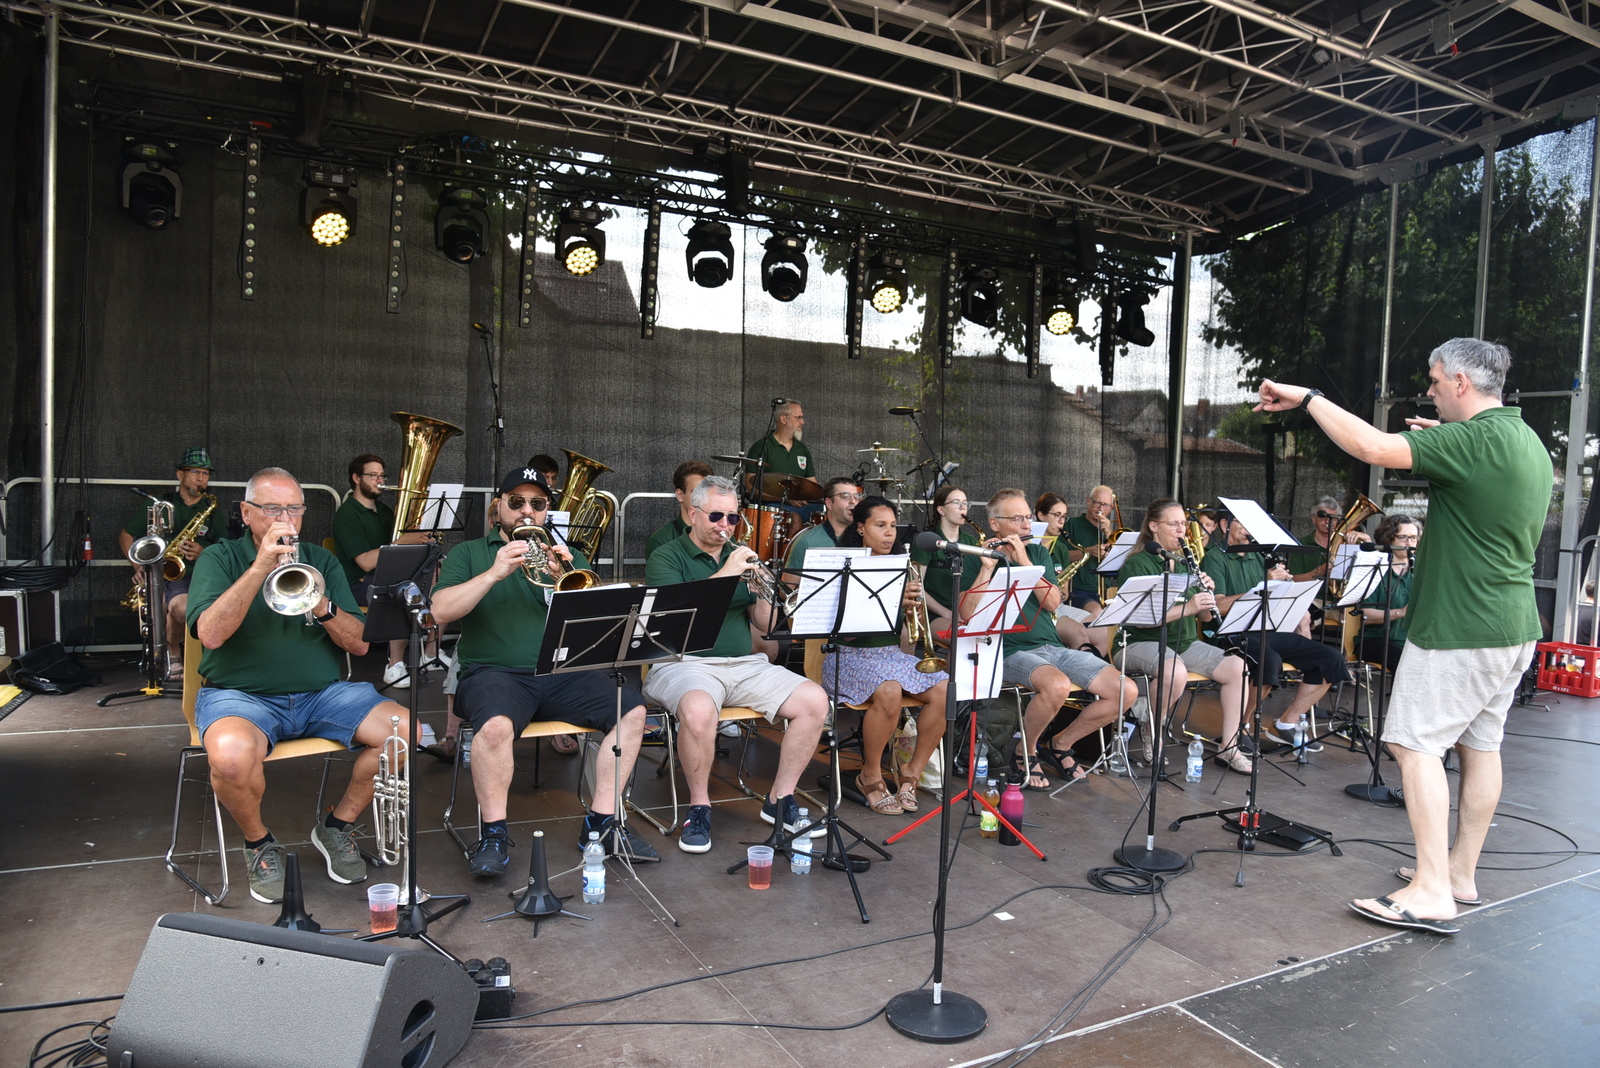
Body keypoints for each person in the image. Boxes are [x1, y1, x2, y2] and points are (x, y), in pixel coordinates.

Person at [1256, 338, 1551, 934]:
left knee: (1413, 746)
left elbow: (1371, 446)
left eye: (1436, 380)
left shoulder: (1472, 441)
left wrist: (1309, 398)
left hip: (1461, 626)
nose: (1431, 390)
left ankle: (1431, 890)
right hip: (1512, 625)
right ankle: (1459, 873)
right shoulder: (1526, 441)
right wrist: (1446, 438)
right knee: (1481, 747)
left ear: (1462, 382)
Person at [187, 467, 407, 904]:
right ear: (246, 513)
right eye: (272, 509)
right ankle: (259, 844)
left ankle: (337, 828)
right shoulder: (218, 557)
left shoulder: (321, 561)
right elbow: (209, 635)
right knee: (229, 760)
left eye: (294, 509)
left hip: (321, 694)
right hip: (239, 696)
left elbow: (360, 646)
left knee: (403, 734)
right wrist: (260, 568)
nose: (285, 519)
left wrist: (320, 603)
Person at [430, 466, 657, 875]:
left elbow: (599, 625)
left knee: (632, 711)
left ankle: (602, 825)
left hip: (563, 672)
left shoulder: (565, 555)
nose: (526, 511)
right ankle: (493, 834)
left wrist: (562, 577)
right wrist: (494, 573)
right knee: (494, 728)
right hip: (495, 673)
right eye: (516, 502)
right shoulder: (470, 554)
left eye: (537, 503)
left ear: (547, 510)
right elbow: (441, 611)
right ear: (497, 507)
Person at [642, 475, 829, 854]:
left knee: (814, 701)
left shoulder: (740, 556)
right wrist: (729, 572)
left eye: (732, 517)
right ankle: (699, 807)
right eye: (716, 516)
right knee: (698, 711)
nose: (724, 525)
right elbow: (679, 614)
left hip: (744, 663)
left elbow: (764, 623)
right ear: (693, 513)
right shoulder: (666, 555)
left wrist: (763, 590)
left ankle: (780, 799)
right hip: (681, 662)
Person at [961, 488, 1139, 789]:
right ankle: (1026, 751)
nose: (1026, 525)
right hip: (1007, 649)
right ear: (995, 524)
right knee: (1057, 685)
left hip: (1051, 646)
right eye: (1017, 519)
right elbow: (967, 614)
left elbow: (1054, 603)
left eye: (1027, 517)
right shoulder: (977, 557)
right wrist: (986, 570)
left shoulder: (1038, 553)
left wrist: (1025, 563)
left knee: (1125, 690)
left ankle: (1060, 744)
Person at [824, 496, 948, 815]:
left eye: (893, 526)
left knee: (945, 689)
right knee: (890, 690)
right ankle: (870, 775)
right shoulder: (844, 567)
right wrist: (892, 603)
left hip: (889, 656)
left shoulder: (900, 566)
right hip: (848, 656)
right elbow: (845, 633)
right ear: (860, 528)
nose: (890, 533)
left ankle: (911, 774)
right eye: (880, 525)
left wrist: (911, 610)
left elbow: (905, 630)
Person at [1114, 498, 1256, 773]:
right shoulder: (1138, 564)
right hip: (1138, 643)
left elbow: (1204, 618)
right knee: (1175, 671)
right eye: (1174, 524)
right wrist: (1188, 607)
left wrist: (1206, 596)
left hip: (1184, 643)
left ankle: (1230, 746)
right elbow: (1142, 621)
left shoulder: (1185, 563)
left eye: (1183, 524)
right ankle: (1152, 729)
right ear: (1154, 526)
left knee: (1239, 668)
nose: (1182, 530)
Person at [1203, 511, 1350, 751]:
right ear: (1224, 524)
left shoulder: (1260, 555)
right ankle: (1240, 727)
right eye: (1243, 523)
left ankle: (1285, 724)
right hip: (1228, 633)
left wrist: (1282, 586)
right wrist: (1264, 584)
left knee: (1331, 659)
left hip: (1264, 628)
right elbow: (1218, 606)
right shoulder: (1215, 558)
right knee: (1268, 660)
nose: (1249, 530)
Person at [332, 453, 439, 690]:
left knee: (438, 579)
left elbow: (399, 551)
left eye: (382, 476)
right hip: (356, 584)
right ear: (356, 478)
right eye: (373, 475)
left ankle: (431, 653)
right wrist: (402, 541)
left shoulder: (384, 511)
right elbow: (365, 562)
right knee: (402, 592)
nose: (380, 480)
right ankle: (394, 665)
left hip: (381, 579)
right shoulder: (347, 514)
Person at [120, 446, 220, 676]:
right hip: (157, 572)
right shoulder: (158, 505)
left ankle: (174, 649)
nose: (201, 478)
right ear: (180, 475)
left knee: (181, 608)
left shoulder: (212, 510)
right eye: (195, 472)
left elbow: (226, 547)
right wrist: (138, 567)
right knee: (162, 609)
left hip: (193, 576)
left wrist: (203, 551)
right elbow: (126, 535)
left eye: (205, 473)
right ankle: (167, 653)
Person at [1037, 491, 1109, 657]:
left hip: (1058, 607)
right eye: (1057, 515)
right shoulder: (1028, 546)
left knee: (1103, 631)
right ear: (1041, 515)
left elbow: (1065, 592)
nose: (1061, 521)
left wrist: (1059, 595)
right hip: (1035, 609)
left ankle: (1092, 669)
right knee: (1079, 633)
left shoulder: (1061, 548)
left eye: (1064, 516)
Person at [1355, 514, 1421, 671]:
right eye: (1403, 537)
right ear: (1389, 539)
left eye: (1413, 538)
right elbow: (1364, 615)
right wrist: (1399, 613)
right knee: (1404, 662)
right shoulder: (1375, 570)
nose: (1409, 543)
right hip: (1374, 640)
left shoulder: (1421, 570)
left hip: (1411, 641)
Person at [909, 484, 980, 627]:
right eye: (956, 502)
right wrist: (947, 613)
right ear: (941, 510)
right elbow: (916, 587)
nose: (963, 507)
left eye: (965, 503)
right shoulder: (927, 541)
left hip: (965, 612)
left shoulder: (971, 541)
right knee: (961, 636)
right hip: (934, 613)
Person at [782, 477, 863, 574]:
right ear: (829, 503)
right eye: (845, 496)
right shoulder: (806, 541)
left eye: (857, 497)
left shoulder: (866, 537)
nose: (853, 501)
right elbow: (789, 583)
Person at [1060, 485, 1117, 613]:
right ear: (1088, 501)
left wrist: (1109, 534)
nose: (1101, 509)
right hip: (1079, 590)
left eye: (1106, 505)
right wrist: (1088, 552)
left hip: (1106, 590)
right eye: (1097, 503)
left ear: (1111, 508)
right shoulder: (1070, 525)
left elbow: (1119, 564)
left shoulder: (1112, 533)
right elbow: (1061, 556)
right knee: (1097, 613)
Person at [645, 460, 714, 560]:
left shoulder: (721, 533)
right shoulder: (661, 541)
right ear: (680, 495)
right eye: (696, 492)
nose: (704, 498)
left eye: (707, 492)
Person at [744, 399, 817, 489]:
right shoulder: (761, 447)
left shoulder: (802, 449)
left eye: (802, 418)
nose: (802, 422)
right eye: (798, 417)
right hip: (770, 498)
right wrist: (780, 497)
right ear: (784, 419)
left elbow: (812, 485)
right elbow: (750, 486)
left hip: (796, 498)